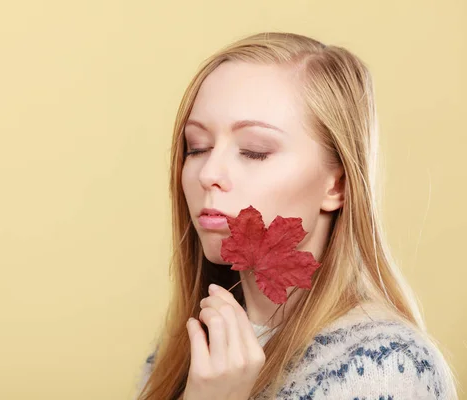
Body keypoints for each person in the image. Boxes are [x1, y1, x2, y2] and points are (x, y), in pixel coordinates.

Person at [133, 32, 457, 400]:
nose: (208, 174)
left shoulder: (386, 368)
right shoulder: (188, 346)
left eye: (254, 151)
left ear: (336, 185)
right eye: (197, 148)